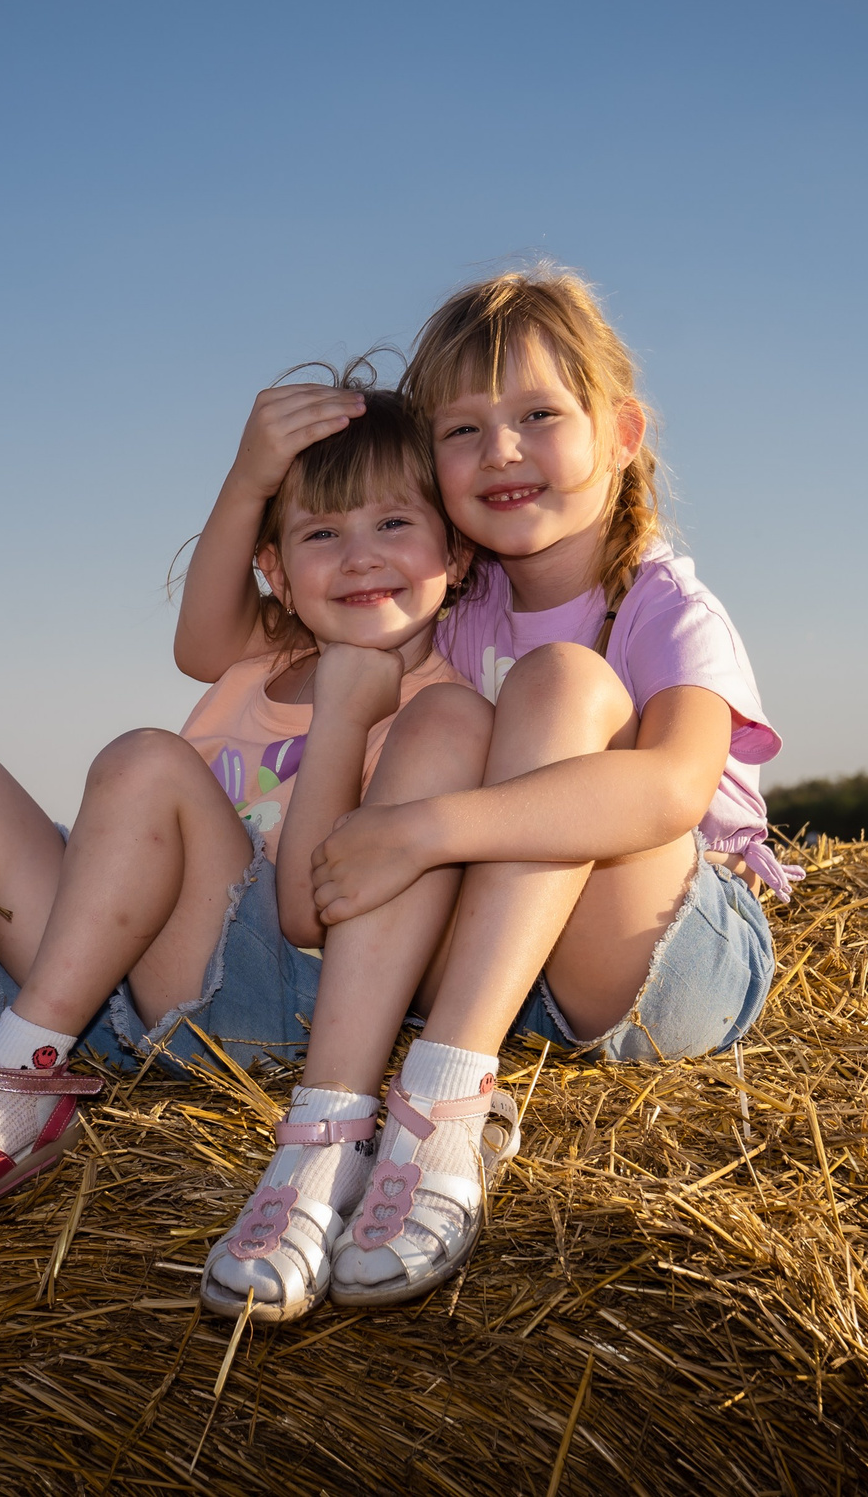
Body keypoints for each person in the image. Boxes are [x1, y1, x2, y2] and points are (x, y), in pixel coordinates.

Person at [197, 267, 793, 1319]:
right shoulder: (452, 604)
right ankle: (324, 1128)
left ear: (620, 431)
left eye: (537, 416)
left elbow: (665, 791)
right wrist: (251, 482)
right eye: (462, 430)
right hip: (510, 969)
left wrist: (425, 829)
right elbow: (215, 642)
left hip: (658, 949)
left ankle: (442, 1099)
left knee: (560, 685)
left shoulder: (660, 603)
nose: (502, 452)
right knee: (438, 719)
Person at [0, 372, 477, 1240]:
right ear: (271, 567)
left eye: (394, 523)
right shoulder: (259, 653)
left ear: (454, 555)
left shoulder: (436, 711)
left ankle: (15, 1076)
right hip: (118, 985)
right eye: (322, 532)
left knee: (146, 763)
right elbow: (193, 638)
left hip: (263, 1012)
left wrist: (348, 714)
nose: (359, 555)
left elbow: (313, 918)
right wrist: (248, 475)